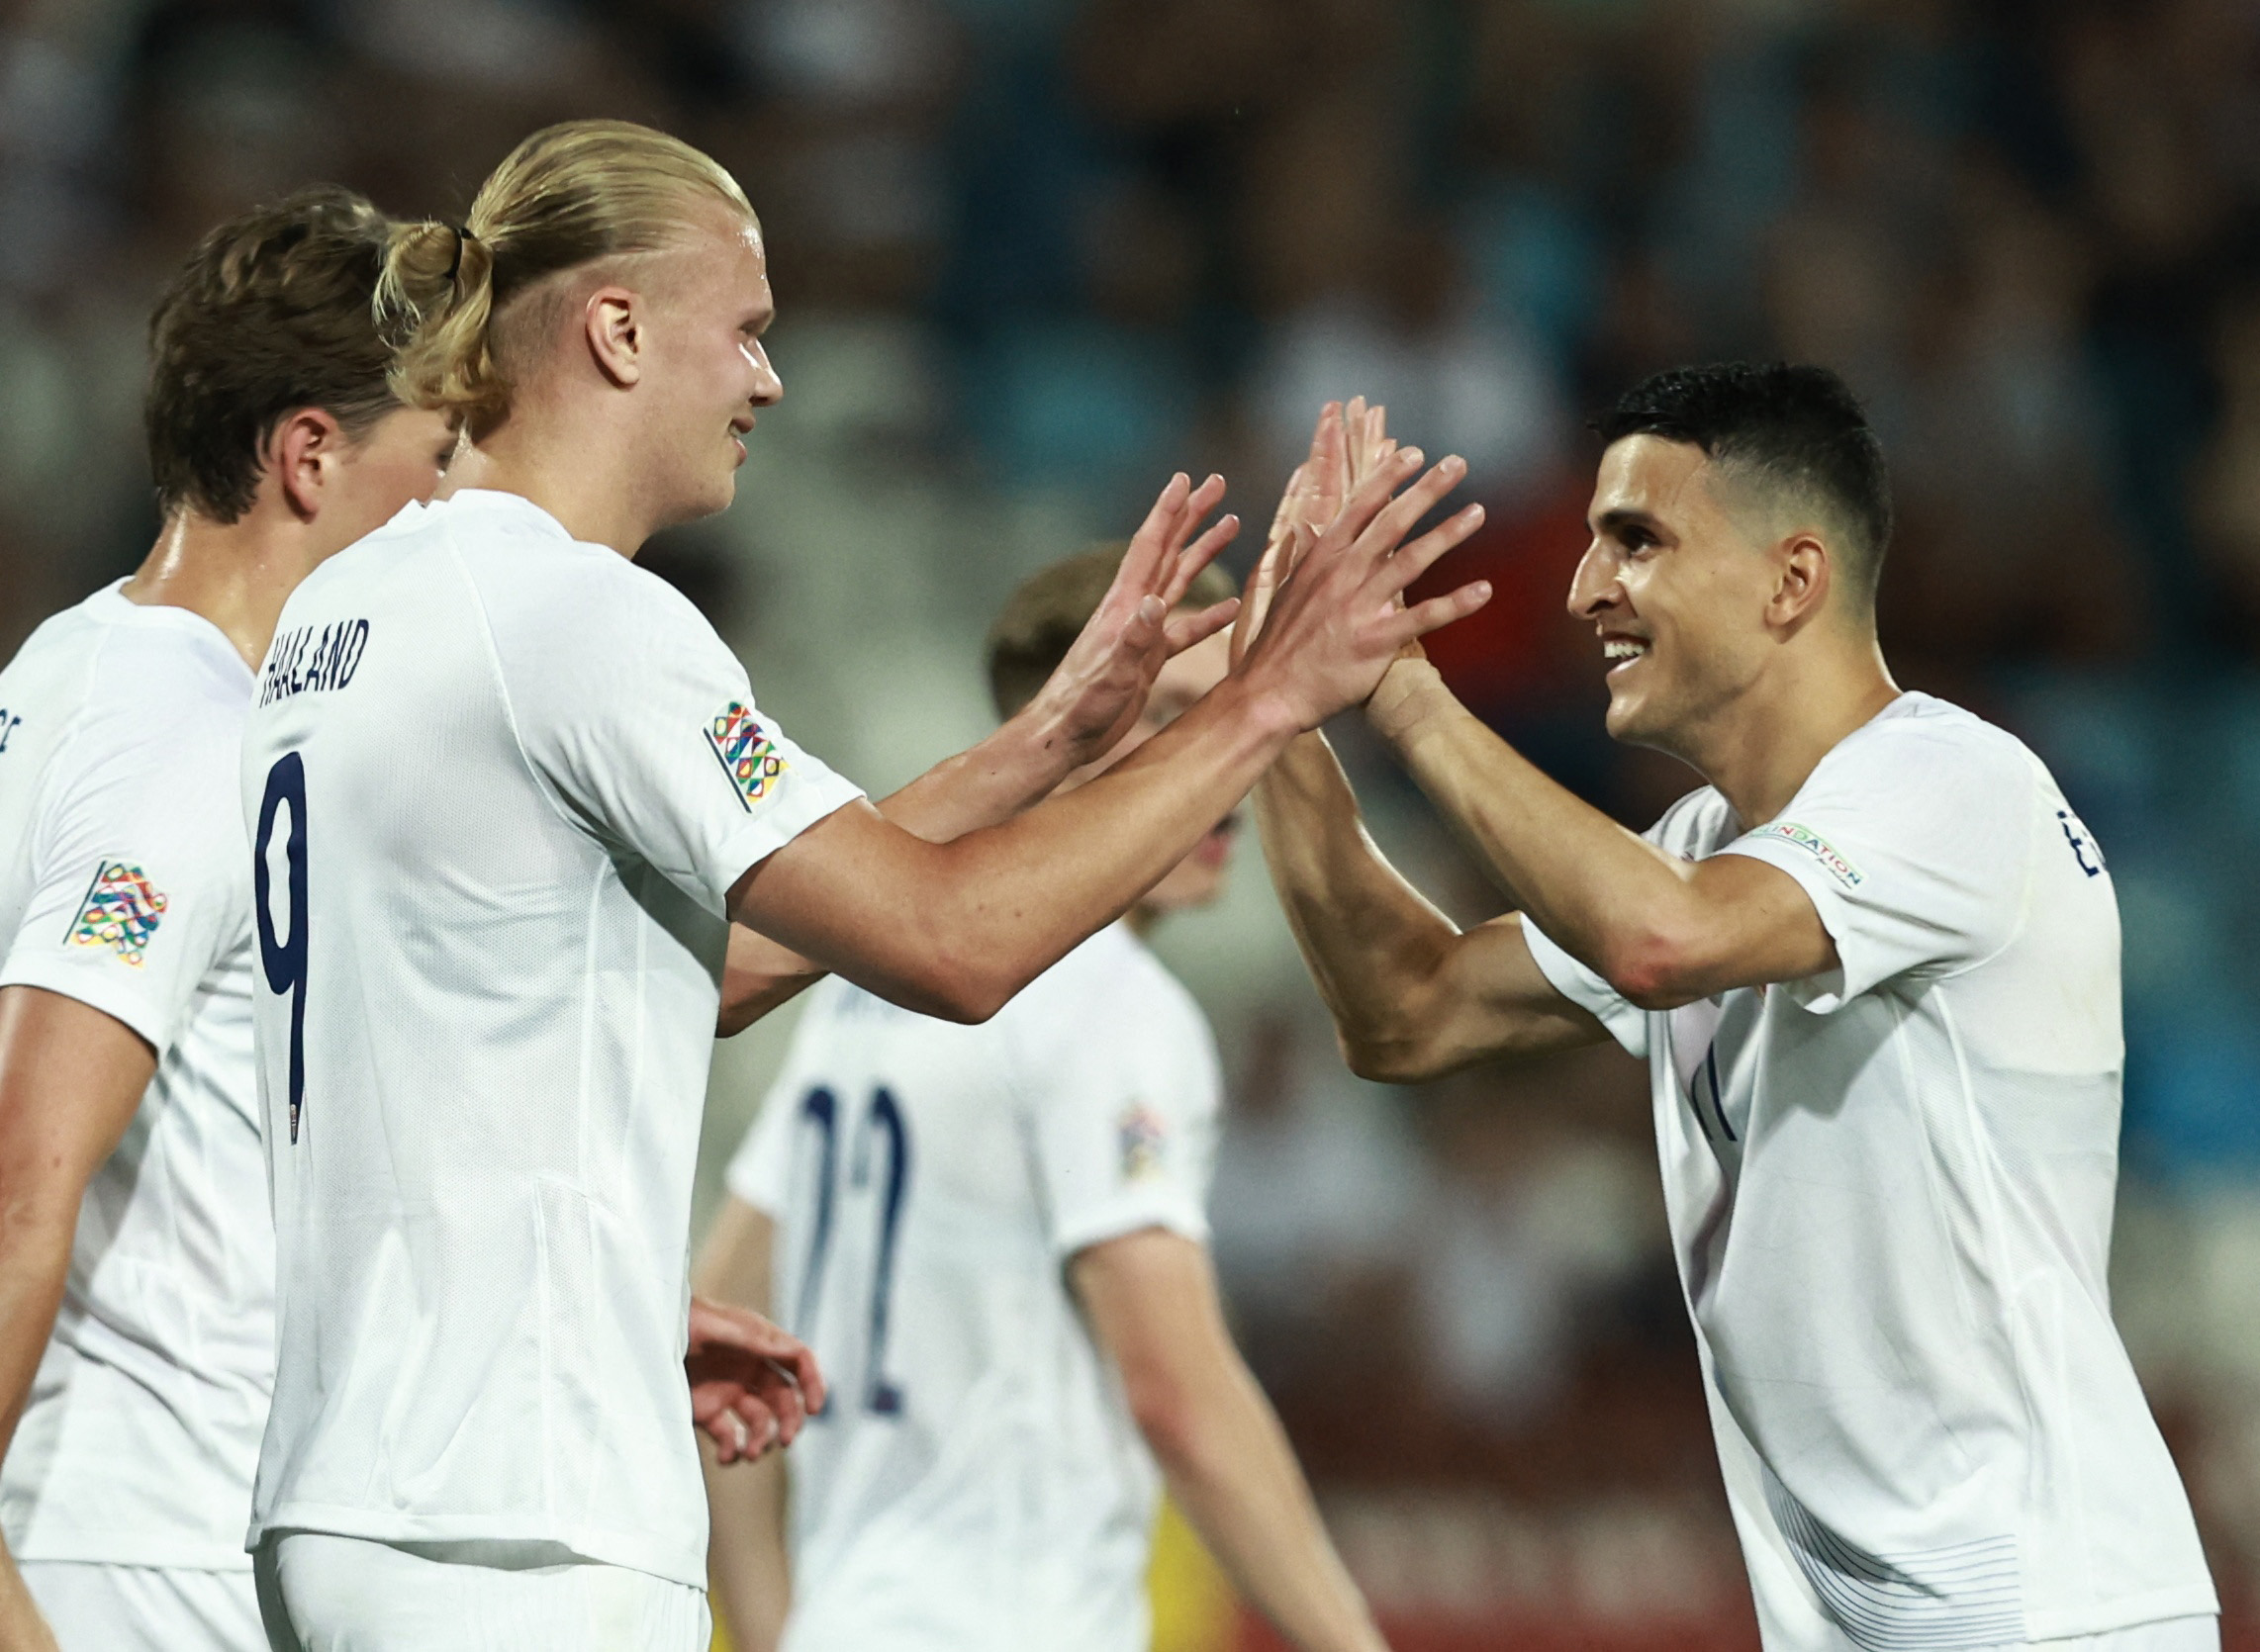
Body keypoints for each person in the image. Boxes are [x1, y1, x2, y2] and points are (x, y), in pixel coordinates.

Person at [239, 118, 1488, 1652]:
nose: (770, 381)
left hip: (351, 1489)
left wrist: (1043, 746)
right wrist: (1263, 698)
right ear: (618, 329)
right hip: (516, 1516)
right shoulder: (580, 621)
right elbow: (953, 946)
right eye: (749, 331)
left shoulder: (346, 608)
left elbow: (678, 974)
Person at [1251, 371, 2220, 1652]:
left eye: (1639, 540)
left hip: (2046, 1610)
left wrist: (1410, 693)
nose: (1586, 589)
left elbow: (1663, 940)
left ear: (1792, 580)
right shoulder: (1713, 845)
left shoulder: (1951, 784)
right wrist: (1275, 710)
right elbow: (1407, 1010)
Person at [697, 546, 1390, 1652]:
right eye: (1159, 713)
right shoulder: (1112, 998)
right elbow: (1178, 1393)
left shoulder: (858, 996)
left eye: (1222, 717)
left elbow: (721, 1324)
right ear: (1057, 730)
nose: (1213, 767)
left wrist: (779, 1624)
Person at [0, 189, 456, 1652]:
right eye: (438, 456)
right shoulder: (187, 735)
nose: (458, 508)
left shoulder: (65, 671)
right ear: (309, 454)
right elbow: (22, 1164)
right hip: (128, 1546)